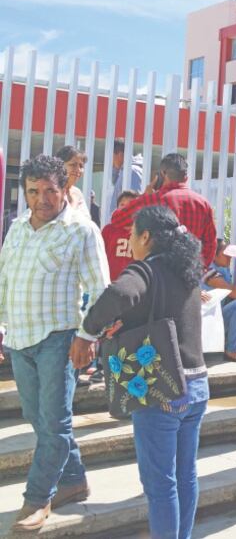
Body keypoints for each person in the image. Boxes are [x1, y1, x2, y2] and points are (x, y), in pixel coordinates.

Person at [73, 206, 206, 539]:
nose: (130, 240)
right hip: (197, 386)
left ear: (146, 237)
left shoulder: (148, 270)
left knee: (160, 484)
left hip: (161, 388)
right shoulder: (186, 272)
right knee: (185, 476)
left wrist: (86, 332)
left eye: (133, 234)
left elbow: (120, 292)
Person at [0, 155, 110, 532]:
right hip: (18, 339)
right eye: (34, 191)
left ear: (65, 189)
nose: (42, 198)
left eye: (50, 190)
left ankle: (37, 497)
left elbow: (100, 291)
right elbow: (4, 279)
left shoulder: (81, 230)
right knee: (38, 419)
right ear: (25, 193)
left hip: (59, 340)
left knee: (55, 422)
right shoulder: (16, 228)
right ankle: (74, 480)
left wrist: (86, 336)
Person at [111, 153, 217, 269]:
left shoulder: (155, 199)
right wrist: (197, 270)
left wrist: (144, 196)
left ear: (162, 174)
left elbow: (117, 219)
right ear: (186, 177)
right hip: (188, 277)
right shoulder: (204, 204)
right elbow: (210, 245)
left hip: (159, 274)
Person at [102, 189, 141, 281]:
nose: (125, 208)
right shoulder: (109, 230)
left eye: (130, 205)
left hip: (131, 281)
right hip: (109, 280)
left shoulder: (141, 232)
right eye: (122, 205)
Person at [55, 145, 90, 217]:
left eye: (81, 166)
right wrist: (74, 201)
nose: (78, 170)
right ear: (60, 166)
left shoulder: (77, 192)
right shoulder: (52, 192)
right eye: (73, 165)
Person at [109, 138, 144, 209]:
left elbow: (134, 201)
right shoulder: (124, 171)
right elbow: (115, 183)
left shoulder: (131, 172)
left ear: (120, 155)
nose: (110, 161)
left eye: (111, 156)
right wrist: (115, 169)